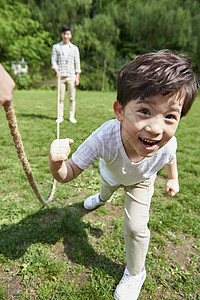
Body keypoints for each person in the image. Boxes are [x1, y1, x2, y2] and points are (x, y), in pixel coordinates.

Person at [49, 49, 198, 300]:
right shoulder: (103, 137)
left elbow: (170, 158)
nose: (155, 128)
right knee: (106, 194)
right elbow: (69, 172)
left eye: (170, 116)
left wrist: (173, 178)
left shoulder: (168, 144)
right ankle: (101, 198)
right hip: (111, 175)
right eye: (144, 111)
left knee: (136, 226)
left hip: (142, 180)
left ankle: (135, 273)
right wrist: (56, 164)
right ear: (120, 111)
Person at [51, 25, 81, 124]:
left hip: (71, 76)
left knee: (72, 97)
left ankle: (72, 116)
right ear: (61, 34)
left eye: (67, 34)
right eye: (64, 34)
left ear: (70, 35)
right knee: (60, 98)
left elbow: (77, 63)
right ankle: (60, 116)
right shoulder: (56, 47)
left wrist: (77, 77)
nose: (66, 36)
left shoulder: (74, 48)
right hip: (61, 77)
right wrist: (57, 71)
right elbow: (54, 61)